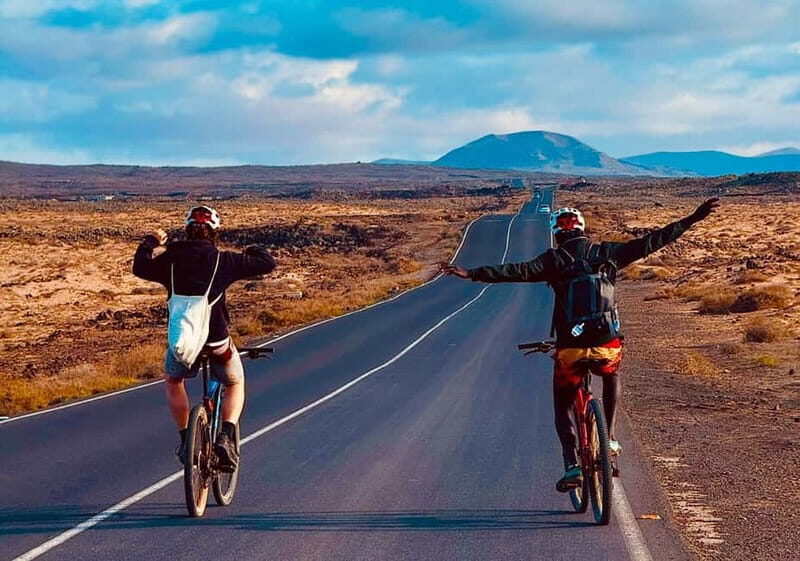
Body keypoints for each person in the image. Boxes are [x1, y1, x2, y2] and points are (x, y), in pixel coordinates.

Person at [440, 198, 720, 491]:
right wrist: (693, 218)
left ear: (556, 233)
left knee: (562, 405)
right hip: (605, 342)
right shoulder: (607, 252)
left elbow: (514, 271)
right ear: (583, 229)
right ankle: (609, 437)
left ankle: (572, 464)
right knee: (611, 375)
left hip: (570, 347)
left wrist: (471, 273)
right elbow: (653, 241)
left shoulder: (552, 260)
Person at [133, 205, 276, 471]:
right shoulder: (223, 260)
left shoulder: (170, 259)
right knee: (235, 381)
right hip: (216, 340)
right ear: (214, 232)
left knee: (174, 380)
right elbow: (267, 263)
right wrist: (252, 248)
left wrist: (151, 242)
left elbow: (140, 267)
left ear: (187, 230)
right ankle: (226, 435)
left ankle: (186, 439)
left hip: (184, 342)